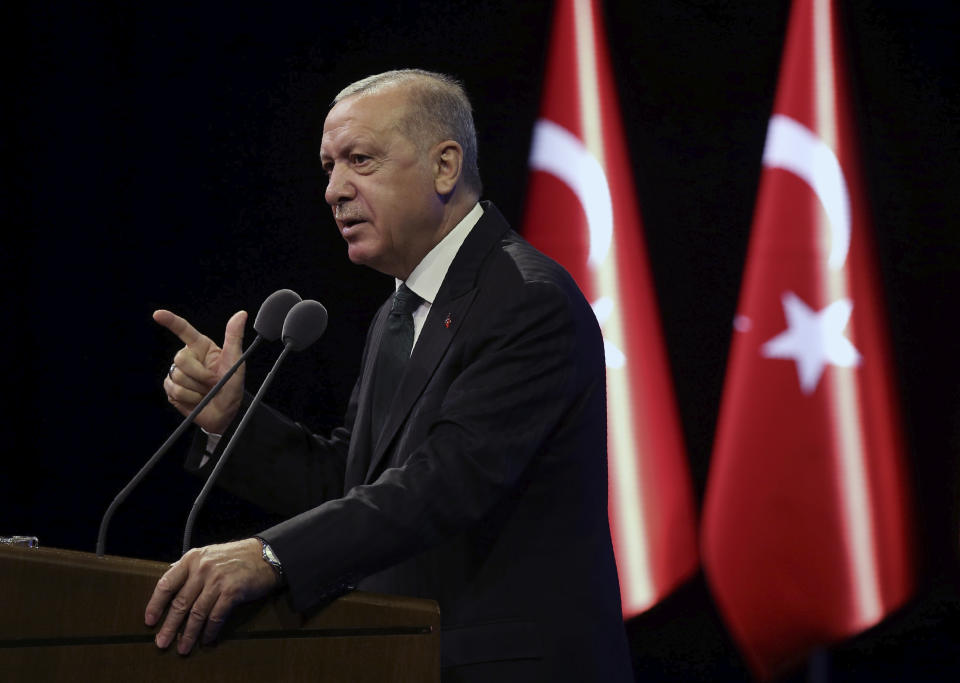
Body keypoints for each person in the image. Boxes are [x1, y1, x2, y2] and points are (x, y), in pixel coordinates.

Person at [145, 69, 633, 682]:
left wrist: (272, 556)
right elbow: (352, 480)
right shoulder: (400, 311)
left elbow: (444, 482)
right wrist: (230, 421)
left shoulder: (526, 300)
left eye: (360, 160)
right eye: (328, 167)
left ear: (445, 167)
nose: (333, 190)